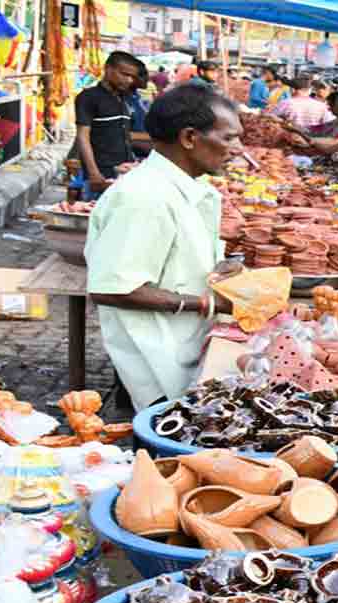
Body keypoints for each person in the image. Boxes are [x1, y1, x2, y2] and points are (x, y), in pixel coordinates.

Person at [85, 84, 243, 411]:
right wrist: (206, 303)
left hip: (183, 347)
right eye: (228, 138)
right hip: (156, 361)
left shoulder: (188, 189)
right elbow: (113, 288)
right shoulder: (144, 197)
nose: (238, 148)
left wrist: (218, 270)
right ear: (189, 138)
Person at [74, 51, 139, 197]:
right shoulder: (88, 97)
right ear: (108, 69)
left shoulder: (124, 99)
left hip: (124, 174)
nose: (129, 80)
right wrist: (93, 173)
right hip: (101, 176)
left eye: (132, 77)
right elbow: (83, 137)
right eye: (124, 74)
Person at [125, 57, 152, 158]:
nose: (147, 78)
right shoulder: (124, 101)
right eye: (142, 75)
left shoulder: (137, 98)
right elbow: (124, 134)